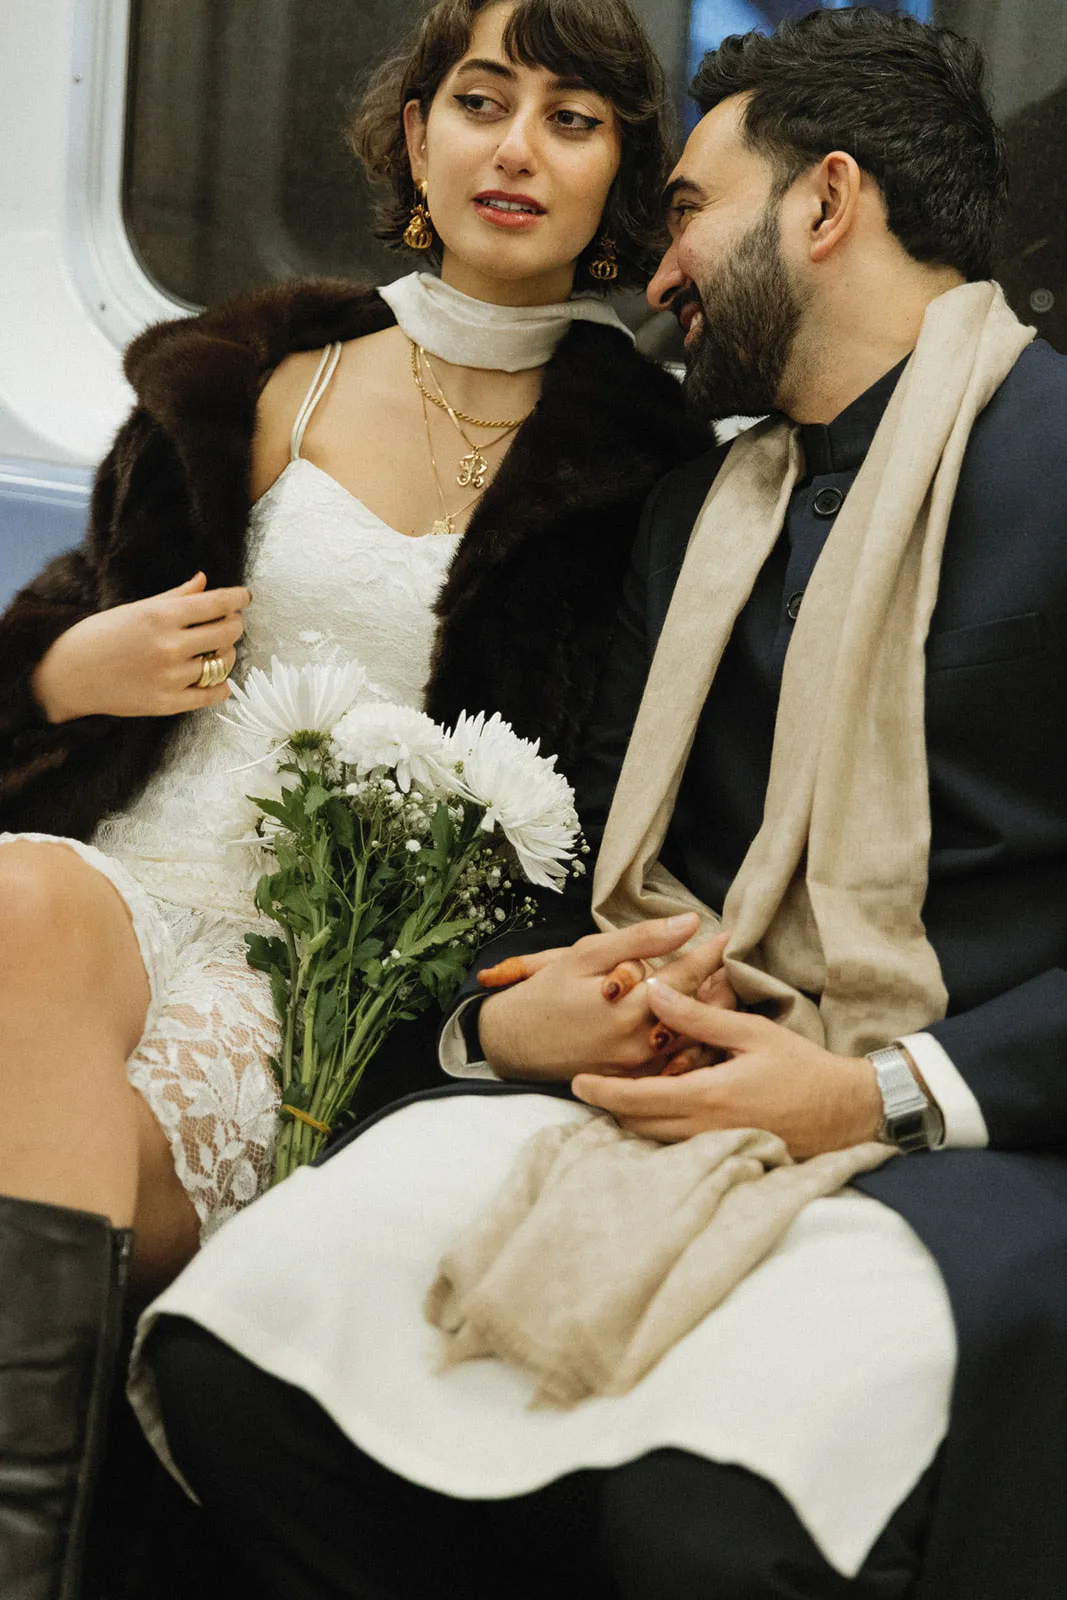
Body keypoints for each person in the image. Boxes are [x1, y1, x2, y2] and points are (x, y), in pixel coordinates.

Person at [131, 8, 1066, 1600]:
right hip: (675, 1064)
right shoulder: (691, 512)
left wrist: (876, 1093)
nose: (658, 270)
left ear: (824, 204)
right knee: (244, 1350)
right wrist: (501, 1023)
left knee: (700, 1514)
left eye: (688, 210)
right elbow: (588, 857)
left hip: (973, 1109)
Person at [0, 1, 712, 1592]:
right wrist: (59, 673)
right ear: (414, 136)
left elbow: (606, 810)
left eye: (571, 120)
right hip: (110, 887)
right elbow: (65, 643)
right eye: (480, 101)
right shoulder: (255, 374)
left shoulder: (648, 475)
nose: (515, 149)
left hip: (323, 974)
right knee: (22, 897)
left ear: (618, 176)